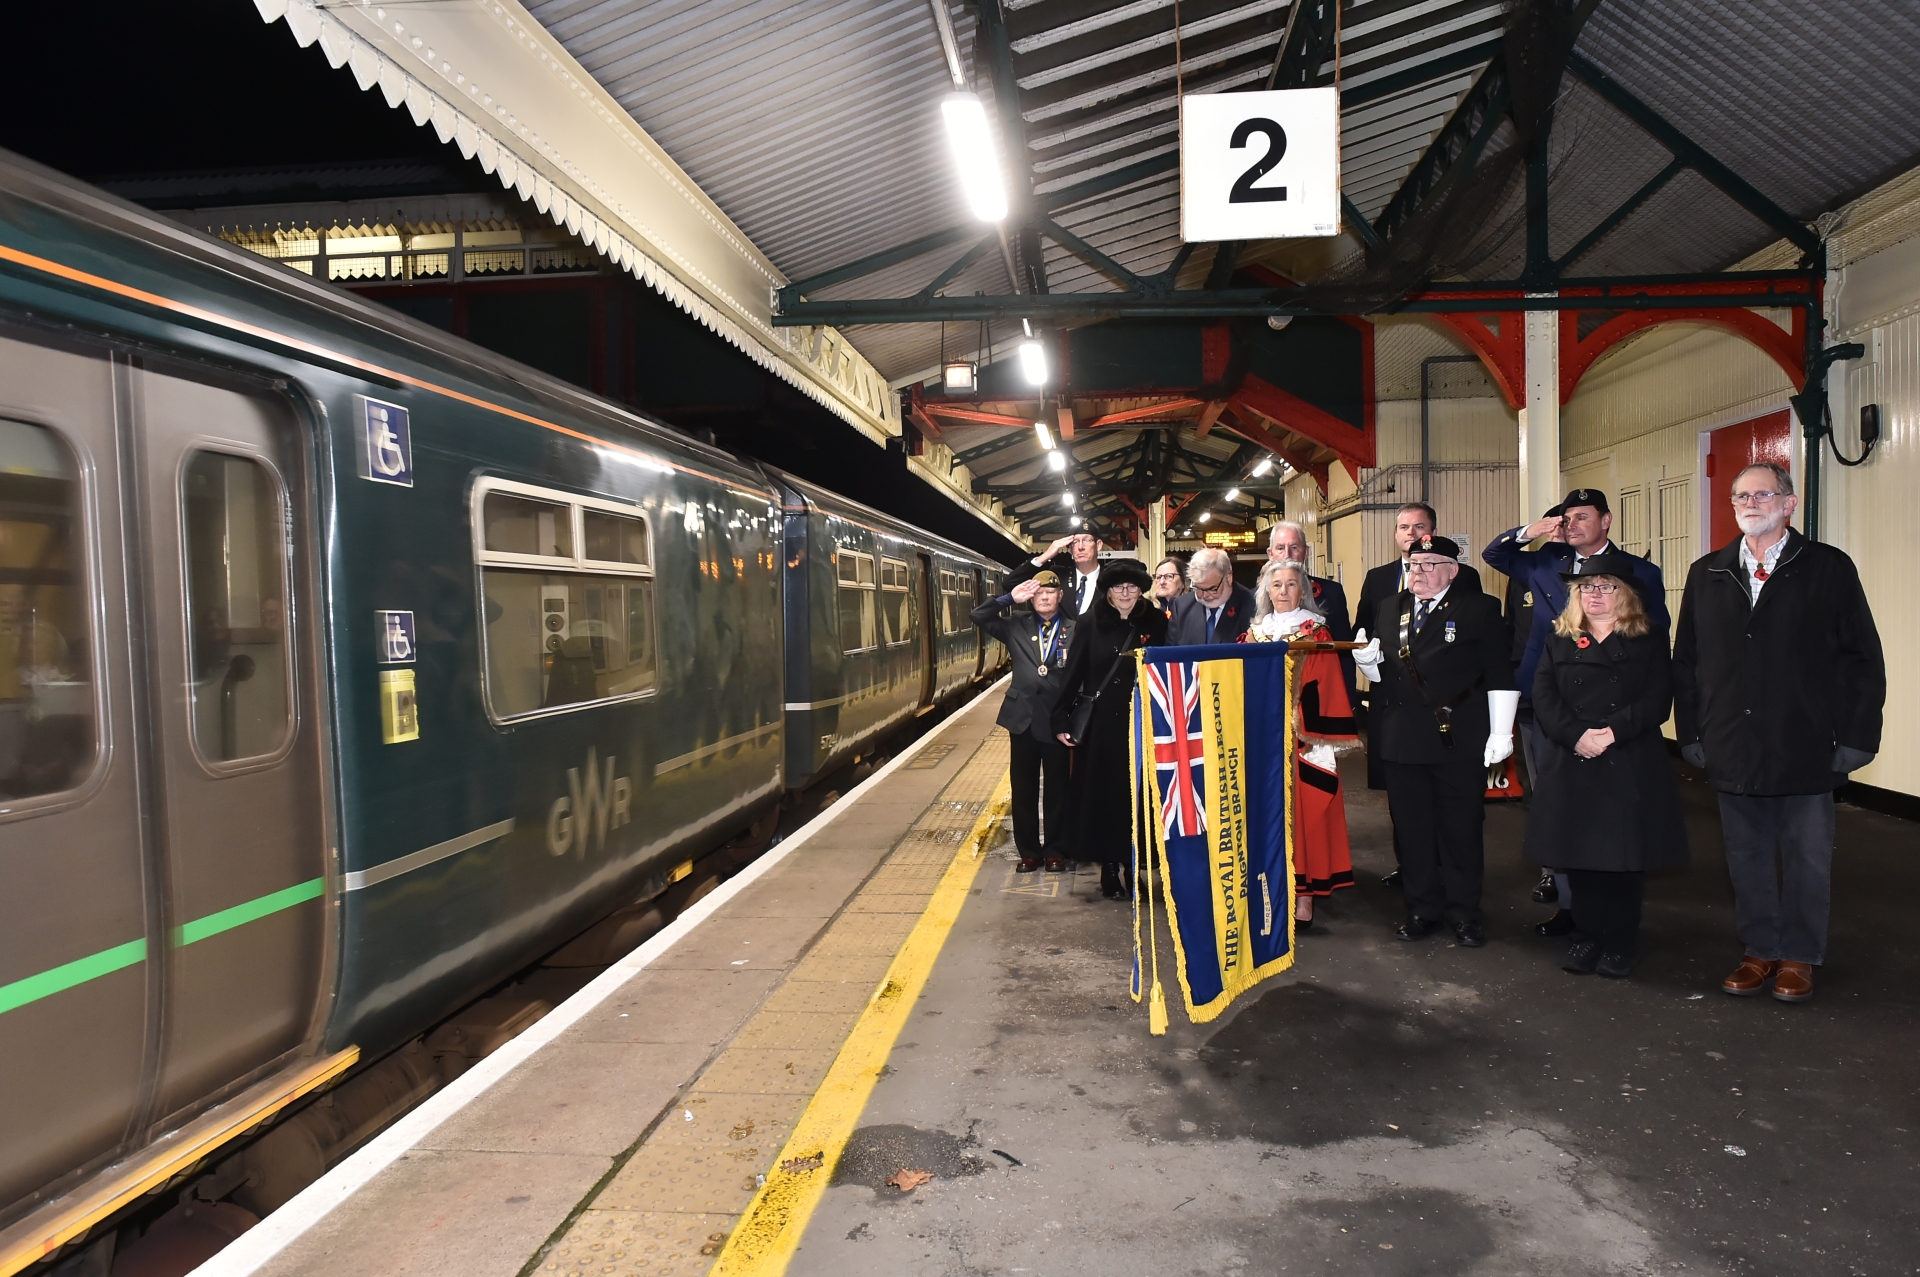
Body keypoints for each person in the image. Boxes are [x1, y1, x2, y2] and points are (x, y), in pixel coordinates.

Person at [1673, 462, 1885, 1004]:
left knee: (1807, 858)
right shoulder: (1708, 572)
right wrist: (1692, 729)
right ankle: (1759, 951)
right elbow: (1688, 661)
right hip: (1731, 744)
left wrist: (1858, 735)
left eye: (1762, 493)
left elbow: (1862, 658)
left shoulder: (1827, 568)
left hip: (1806, 740)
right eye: (1740, 495)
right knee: (1745, 858)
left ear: (1789, 504)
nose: (1749, 502)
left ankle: (1800, 956)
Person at [1484, 489, 1668, 936]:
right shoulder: (1545, 561)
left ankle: (1612, 913)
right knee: (1555, 800)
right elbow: (1494, 553)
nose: (1572, 525)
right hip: (1548, 700)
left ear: (1607, 520)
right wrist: (1532, 531)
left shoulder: (1639, 573)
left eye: (1583, 517)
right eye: (1566, 518)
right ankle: (1569, 903)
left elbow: (1655, 640)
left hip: (1613, 710)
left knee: (1611, 810)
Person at [1525, 554, 1689, 978]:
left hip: (1627, 757)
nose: (1594, 594)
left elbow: (1656, 699)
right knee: (1578, 858)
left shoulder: (1648, 637)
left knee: (1622, 860)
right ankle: (1587, 936)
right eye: (1585, 587)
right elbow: (1543, 696)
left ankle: (1619, 942)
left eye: (1605, 586)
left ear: (1626, 593)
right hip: (1572, 757)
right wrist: (1576, 735)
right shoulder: (1559, 636)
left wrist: (1610, 733)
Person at [1354, 535, 1516, 946]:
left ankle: (1464, 912)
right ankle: (1421, 908)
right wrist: (1369, 666)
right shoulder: (1390, 609)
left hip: (1457, 737)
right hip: (1402, 739)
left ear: (1452, 570)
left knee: (1460, 828)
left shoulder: (1479, 609)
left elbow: (1498, 672)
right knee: (1412, 830)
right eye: (1414, 563)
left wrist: (1501, 732)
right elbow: (1391, 676)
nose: (1419, 572)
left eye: (1429, 564)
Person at [1353, 503, 1484, 888]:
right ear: (1395, 535)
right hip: (1395, 709)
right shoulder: (1379, 581)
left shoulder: (1465, 581)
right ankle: (1412, 874)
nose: (1410, 534)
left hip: (1449, 716)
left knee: (1456, 813)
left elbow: (1475, 642)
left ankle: (1454, 884)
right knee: (1406, 808)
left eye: (1419, 527)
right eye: (1404, 527)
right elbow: (1367, 628)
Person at [1242, 559, 1357, 929]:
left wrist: (1305, 731)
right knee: (1265, 816)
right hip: (1262, 739)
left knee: (1302, 815)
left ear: (1302, 589)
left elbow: (1324, 685)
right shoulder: (1253, 633)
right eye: (1276, 586)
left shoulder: (1317, 632)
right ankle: (1271, 891)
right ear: (1266, 591)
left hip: (1300, 740)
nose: (1283, 592)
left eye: (1291, 585)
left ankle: (1304, 895)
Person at [1052, 558, 1168, 899]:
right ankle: (1109, 867)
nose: (1126, 594)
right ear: (1108, 591)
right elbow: (1073, 670)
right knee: (1104, 797)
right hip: (1102, 726)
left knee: (1140, 798)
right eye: (1118, 587)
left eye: (1132, 587)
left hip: (1143, 721)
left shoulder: (1156, 622)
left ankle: (1135, 867)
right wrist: (1060, 717)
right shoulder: (1090, 623)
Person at [973, 571, 1077, 873]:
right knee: (1023, 789)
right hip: (1022, 719)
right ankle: (1029, 852)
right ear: (1030, 598)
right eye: (1038, 593)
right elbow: (978, 615)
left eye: (1050, 592)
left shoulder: (1074, 629)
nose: (1044, 597)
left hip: (1057, 720)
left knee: (1058, 790)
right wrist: (1008, 599)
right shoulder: (1015, 624)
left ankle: (1056, 850)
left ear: (1060, 597)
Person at [1268, 520, 1356, 719]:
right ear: (1270, 553)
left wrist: (1347, 702)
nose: (1287, 554)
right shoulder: (1253, 597)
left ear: (1306, 553)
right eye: (1280, 548)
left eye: (1294, 547)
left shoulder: (1332, 593)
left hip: (1317, 699)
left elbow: (1344, 650)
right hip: (1270, 701)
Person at [1167, 547, 1255, 645]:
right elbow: (1170, 654)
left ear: (1228, 577)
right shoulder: (1181, 607)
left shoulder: (1253, 607)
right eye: (1198, 588)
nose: (1204, 595)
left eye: (1212, 589)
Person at [1010, 531, 1104, 616]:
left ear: (1098, 545)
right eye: (1075, 542)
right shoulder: (1058, 576)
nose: (1080, 547)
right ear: (1070, 550)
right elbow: (1011, 583)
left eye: (1087, 540)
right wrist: (1046, 555)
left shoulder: (1110, 578)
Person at [1151, 556, 1187, 622]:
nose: (1162, 582)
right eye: (1158, 577)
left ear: (1183, 582)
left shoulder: (1192, 610)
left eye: (1168, 576)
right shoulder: (1148, 610)